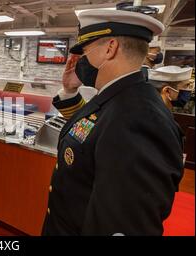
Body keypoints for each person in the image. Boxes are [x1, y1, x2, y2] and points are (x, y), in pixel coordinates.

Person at [42, 10, 184, 235]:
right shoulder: (118, 97)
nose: (82, 60)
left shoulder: (140, 118)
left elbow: (121, 223)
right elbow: (91, 132)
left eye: (86, 51)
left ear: (110, 48)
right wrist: (70, 90)